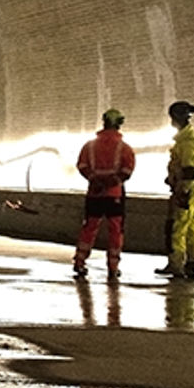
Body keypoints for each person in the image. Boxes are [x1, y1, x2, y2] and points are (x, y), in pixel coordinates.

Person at [73, 108, 135, 280]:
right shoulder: (124, 148)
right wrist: (111, 182)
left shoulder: (90, 146)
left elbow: (82, 166)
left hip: (94, 194)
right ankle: (113, 267)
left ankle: (79, 262)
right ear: (119, 125)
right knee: (115, 229)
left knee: (89, 227)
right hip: (114, 195)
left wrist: (95, 181)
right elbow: (127, 170)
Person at [155, 99, 194, 281]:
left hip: (187, 191)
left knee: (177, 227)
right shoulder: (188, 138)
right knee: (191, 226)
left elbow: (189, 170)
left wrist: (182, 190)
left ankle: (176, 264)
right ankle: (192, 261)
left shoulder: (188, 141)